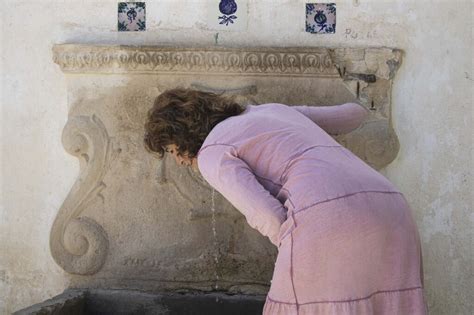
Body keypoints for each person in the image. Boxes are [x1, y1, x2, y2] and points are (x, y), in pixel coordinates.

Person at [144, 88, 428, 314]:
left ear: (183, 135)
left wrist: (293, 242)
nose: (180, 161)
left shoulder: (211, 152)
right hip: (391, 207)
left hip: (325, 219)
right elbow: (353, 115)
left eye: (172, 150)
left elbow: (266, 215)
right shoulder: (272, 111)